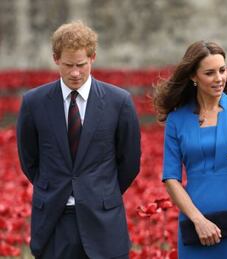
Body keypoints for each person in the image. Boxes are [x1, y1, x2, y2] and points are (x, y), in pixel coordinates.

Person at [16, 21, 141, 259]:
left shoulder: (119, 102)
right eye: (68, 65)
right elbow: (29, 160)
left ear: (93, 57)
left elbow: (130, 162)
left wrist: (101, 192)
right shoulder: (34, 102)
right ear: (55, 59)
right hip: (53, 220)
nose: (75, 73)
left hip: (104, 222)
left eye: (81, 65)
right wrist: (53, 187)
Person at [153, 40, 227, 258]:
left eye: (222, 70)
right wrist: (198, 220)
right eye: (210, 73)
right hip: (195, 224)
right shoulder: (177, 119)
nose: (219, 78)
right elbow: (171, 178)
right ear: (194, 77)